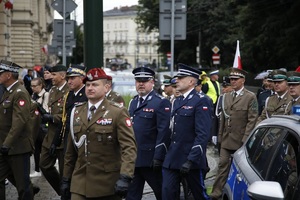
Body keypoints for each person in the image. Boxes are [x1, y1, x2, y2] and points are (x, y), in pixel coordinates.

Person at [61, 68, 137, 199]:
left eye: (95, 84)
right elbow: (71, 151)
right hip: (80, 182)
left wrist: (125, 176)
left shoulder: (117, 112)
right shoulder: (77, 112)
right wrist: (66, 178)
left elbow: (129, 147)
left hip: (106, 183)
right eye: (88, 85)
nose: (90, 88)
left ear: (106, 88)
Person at [162, 63, 212, 200]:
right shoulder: (177, 101)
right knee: (167, 192)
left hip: (191, 159)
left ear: (191, 81)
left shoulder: (201, 101)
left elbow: (202, 134)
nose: (176, 80)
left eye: (181, 77)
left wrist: (191, 160)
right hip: (173, 157)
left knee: (198, 195)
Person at [210, 68, 258, 200]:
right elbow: (223, 119)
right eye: (231, 79)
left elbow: (252, 119)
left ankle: (238, 194)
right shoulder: (226, 96)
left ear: (243, 80)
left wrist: (246, 139)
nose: (233, 81)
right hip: (226, 139)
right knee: (222, 166)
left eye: (236, 79)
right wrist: (219, 136)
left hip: (241, 140)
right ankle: (216, 194)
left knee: (240, 171)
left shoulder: (250, 97)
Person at [126, 67, 171, 200]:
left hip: (151, 160)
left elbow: (164, 131)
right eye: (138, 81)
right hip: (134, 159)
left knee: (162, 193)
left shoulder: (160, 102)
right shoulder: (134, 102)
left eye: (144, 81)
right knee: (132, 196)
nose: (141, 84)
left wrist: (158, 156)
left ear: (152, 82)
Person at [0, 60, 34, 199]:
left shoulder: (19, 92)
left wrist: (7, 144)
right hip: (5, 146)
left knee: (23, 186)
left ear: (8, 75)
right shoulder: (8, 92)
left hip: (17, 147)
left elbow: (19, 122)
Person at [39, 64, 69, 197]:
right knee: (44, 165)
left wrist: (52, 118)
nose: (51, 77)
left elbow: (67, 115)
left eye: (54, 74)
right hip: (50, 135)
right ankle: (61, 191)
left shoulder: (69, 90)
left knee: (64, 173)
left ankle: (66, 195)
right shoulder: (53, 90)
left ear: (62, 76)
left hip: (62, 136)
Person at [30, 77, 50, 177]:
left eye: (34, 86)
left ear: (40, 85)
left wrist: (37, 104)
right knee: (36, 149)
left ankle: (47, 168)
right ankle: (37, 170)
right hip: (34, 125)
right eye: (31, 86)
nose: (32, 88)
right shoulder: (33, 95)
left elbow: (46, 111)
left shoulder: (46, 95)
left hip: (43, 126)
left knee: (44, 149)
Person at [202, 69, 220, 143]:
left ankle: (213, 135)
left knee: (215, 120)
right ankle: (209, 137)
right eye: (217, 75)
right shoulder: (207, 83)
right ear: (213, 76)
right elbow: (203, 94)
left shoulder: (217, 83)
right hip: (209, 104)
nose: (218, 76)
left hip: (216, 104)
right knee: (209, 120)